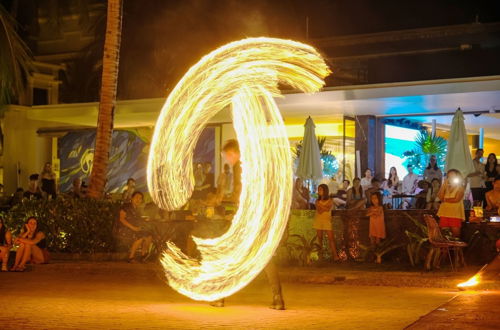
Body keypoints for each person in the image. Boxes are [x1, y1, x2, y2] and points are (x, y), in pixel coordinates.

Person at [212, 139, 284, 310]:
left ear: (232, 153)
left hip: (248, 222)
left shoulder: (240, 167)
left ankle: (220, 297)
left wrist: (236, 212)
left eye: (226, 155)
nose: (226, 159)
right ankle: (278, 298)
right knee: (265, 259)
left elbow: (240, 192)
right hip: (258, 218)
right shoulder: (252, 166)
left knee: (228, 256)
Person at [116, 192, 152, 263]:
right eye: (136, 197)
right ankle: (130, 257)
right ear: (132, 198)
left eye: (140, 198)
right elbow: (121, 219)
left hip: (133, 228)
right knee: (140, 236)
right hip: (123, 228)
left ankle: (143, 256)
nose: (138, 200)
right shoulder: (126, 207)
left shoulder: (137, 209)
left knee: (149, 236)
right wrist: (134, 228)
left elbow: (137, 219)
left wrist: (144, 219)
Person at [313, 184, 340, 262]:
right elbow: (320, 210)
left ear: (325, 191)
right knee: (320, 239)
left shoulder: (330, 200)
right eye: (318, 190)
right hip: (318, 220)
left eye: (320, 189)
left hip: (327, 220)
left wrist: (322, 207)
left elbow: (328, 209)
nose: (319, 191)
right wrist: (324, 207)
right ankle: (320, 256)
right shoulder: (317, 201)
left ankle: (335, 256)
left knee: (331, 239)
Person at [437, 169, 465, 238]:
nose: (451, 178)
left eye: (453, 176)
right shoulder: (446, 187)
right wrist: (443, 185)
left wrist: (445, 199)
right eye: (449, 176)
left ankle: (457, 248)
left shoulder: (460, 187)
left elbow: (456, 199)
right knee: (444, 235)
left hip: (455, 214)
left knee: (456, 236)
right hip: (444, 213)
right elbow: (440, 197)